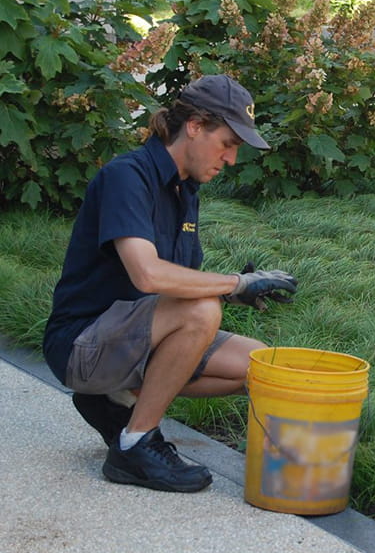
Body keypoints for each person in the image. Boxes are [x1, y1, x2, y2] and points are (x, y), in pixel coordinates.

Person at [43, 74, 297, 493]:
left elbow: (171, 286)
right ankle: (134, 444)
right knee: (202, 310)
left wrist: (239, 289)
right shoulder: (128, 176)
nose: (231, 159)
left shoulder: (185, 190)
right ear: (195, 125)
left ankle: (116, 400)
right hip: (81, 345)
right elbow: (148, 274)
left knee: (264, 367)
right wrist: (232, 283)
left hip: (135, 337)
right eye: (228, 143)